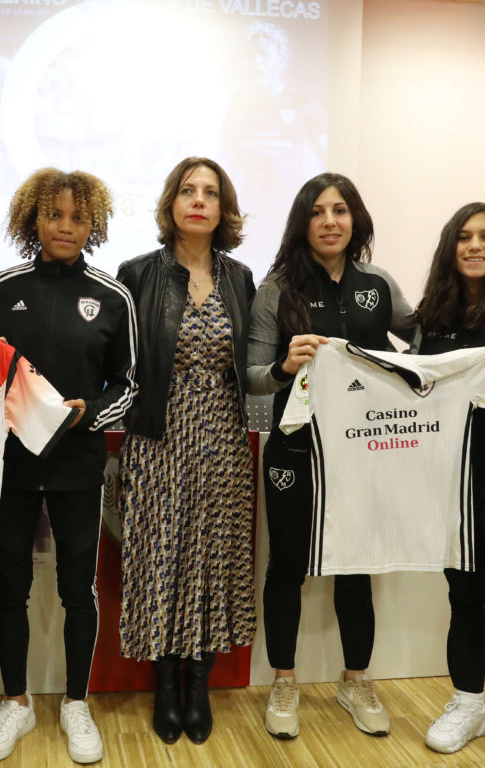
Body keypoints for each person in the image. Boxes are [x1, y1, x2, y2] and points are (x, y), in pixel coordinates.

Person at [0, 168, 137, 764]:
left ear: (92, 223)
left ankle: (75, 703)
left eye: (76, 217)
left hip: (77, 465)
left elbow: (130, 385)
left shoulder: (113, 297)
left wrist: (87, 412)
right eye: (53, 215)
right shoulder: (0, 289)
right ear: (32, 220)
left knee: (78, 589)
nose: (64, 227)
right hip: (9, 467)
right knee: (9, 587)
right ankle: (16, 703)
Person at [247, 172, 415, 740]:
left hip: (365, 452)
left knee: (355, 562)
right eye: (318, 211)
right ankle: (285, 680)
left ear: (355, 220)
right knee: (287, 566)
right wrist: (283, 366)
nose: (330, 221)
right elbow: (249, 378)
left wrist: (398, 376)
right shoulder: (275, 290)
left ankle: (355, 679)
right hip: (294, 450)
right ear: (302, 222)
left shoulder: (378, 284)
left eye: (340, 210)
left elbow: (422, 343)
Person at [115, 157, 257, 745]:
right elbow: (117, 361)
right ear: (171, 203)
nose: (198, 201)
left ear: (224, 210)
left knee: (211, 558)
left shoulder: (240, 278)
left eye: (211, 193)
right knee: (160, 558)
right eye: (187, 190)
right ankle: (164, 687)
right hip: (157, 436)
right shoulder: (137, 273)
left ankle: (197, 683)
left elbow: (249, 366)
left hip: (223, 435)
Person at [416, 203, 485, 754]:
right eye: (463, 237)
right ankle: (468, 700)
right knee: (465, 593)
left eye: (484, 237)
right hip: (454, 483)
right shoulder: (430, 318)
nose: (474, 246)